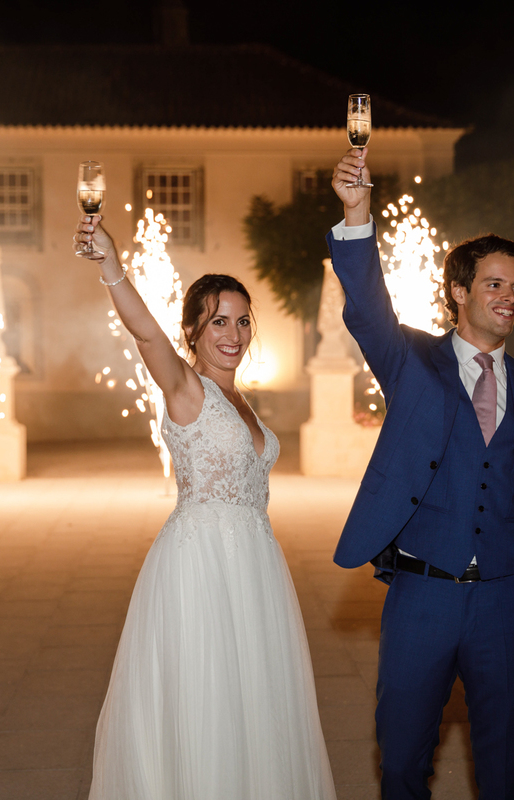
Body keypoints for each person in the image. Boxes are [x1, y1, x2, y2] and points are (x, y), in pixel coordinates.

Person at [327, 148, 514, 800]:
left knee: (504, 773)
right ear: (459, 292)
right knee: (402, 762)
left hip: (507, 605)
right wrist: (357, 214)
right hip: (423, 598)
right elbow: (367, 310)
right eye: (494, 284)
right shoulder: (413, 361)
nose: (509, 297)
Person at [74, 214, 336, 800]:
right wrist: (112, 266)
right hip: (200, 564)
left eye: (242, 321)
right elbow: (146, 336)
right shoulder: (186, 389)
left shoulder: (240, 399)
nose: (234, 334)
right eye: (219, 321)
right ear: (192, 329)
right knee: (207, 696)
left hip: (256, 566)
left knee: (257, 700)